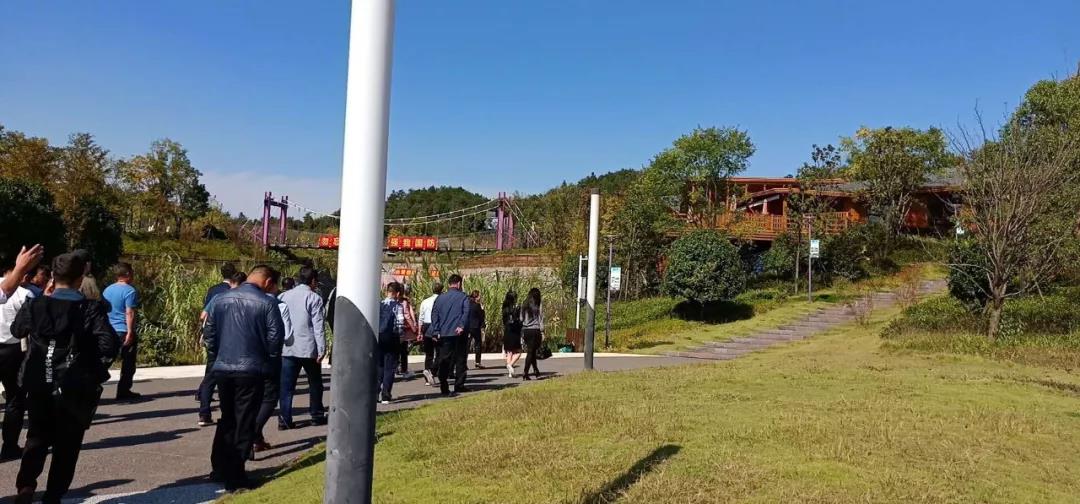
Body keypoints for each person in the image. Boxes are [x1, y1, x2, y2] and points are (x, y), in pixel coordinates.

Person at [12, 252, 119, 504]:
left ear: (52, 276)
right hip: (74, 384)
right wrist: (90, 365)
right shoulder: (89, 309)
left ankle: (26, 486)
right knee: (67, 445)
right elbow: (109, 344)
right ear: (80, 278)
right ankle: (53, 495)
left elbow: (17, 330)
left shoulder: (36, 304)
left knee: (36, 437)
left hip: (39, 379)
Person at [203, 265, 284, 492]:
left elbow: (209, 334)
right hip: (252, 368)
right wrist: (268, 363)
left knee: (227, 418)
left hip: (223, 366)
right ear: (268, 282)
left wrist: (217, 356)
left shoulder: (220, 299)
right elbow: (275, 339)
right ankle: (236, 476)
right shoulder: (267, 303)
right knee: (244, 420)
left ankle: (219, 467)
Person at [277, 266, 327, 429]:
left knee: (287, 386)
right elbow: (318, 326)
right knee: (315, 383)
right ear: (312, 281)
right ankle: (316, 414)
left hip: (288, 346)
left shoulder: (283, 296)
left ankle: (284, 418)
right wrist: (322, 348)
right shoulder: (314, 298)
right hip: (308, 347)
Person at [197, 264, 245, 427]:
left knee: (210, 378)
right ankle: (231, 414)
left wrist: (209, 340)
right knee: (233, 380)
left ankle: (204, 413)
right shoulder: (244, 300)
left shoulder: (217, 297)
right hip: (233, 344)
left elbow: (203, 315)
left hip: (216, 343)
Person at [252, 268, 291, 456]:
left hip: (237, 360)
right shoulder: (276, 305)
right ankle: (252, 434)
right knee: (268, 398)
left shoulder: (229, 299)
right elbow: (284, 335)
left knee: (249, 401)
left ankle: (256, 439)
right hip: (266, 359)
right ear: (270, 283)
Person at [0, 265, 37, 460]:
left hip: (11, 348)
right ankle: (9, 446)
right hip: (12, 349)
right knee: (15, 398)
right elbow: (29, 325)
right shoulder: (24, 294)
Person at [102, 262, 141, 401]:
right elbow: (129, 312)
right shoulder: (130, 291)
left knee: (106, 360)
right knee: (128, 363)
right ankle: (123, 390)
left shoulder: (107, 290)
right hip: (123, 329)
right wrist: (130, 331)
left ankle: (92, 385)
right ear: (128, 274)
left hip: (108, 329)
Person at [429, 274, 470, 396]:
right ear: (459, 284)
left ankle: (444, 385)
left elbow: (434, 314)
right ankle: (459, 384)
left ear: (449, 284)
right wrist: (461, 325)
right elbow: (466, 312)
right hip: (459, 333)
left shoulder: (440, 298)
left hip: (444, 333)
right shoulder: (463, 297)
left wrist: (436, 330)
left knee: (444, 359)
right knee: (460, 359)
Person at [377, 282, 405, 404]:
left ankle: (375, 393)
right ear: (397, 293)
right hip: (392, 338)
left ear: (387, 292)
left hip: (379, 337)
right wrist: (401, 336)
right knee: (390, 367)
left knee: (379, 366)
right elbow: (400, 323)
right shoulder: (398, 306)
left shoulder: (380, 304)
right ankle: (386, 395)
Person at [417, 282, 442, 386]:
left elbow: (421, 318)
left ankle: (427, 376)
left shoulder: (425, 301)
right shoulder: (441, 301)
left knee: (429, 354)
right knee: (439, 352)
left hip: (426, 326)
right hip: (437, 326)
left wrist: (419, 332)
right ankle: (433, 372)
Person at [521, 288, 544, 381]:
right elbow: (541, 318)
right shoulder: (538, 304)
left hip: (526, 330)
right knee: (531, 352)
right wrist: (542, 331)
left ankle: (536, 371)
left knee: (532, 351)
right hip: (535, 330)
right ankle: (525, 372)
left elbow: (521, 318)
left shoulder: (524, 304)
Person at [396, 285, 419, 377]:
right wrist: (414, 327)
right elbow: (407, 316)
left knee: (396, 350)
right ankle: (404, 370)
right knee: (403, 351)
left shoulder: (394, 301)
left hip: (394, 329)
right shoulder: (405, 302)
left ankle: (396, 368)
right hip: (403, 329)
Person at [501, 291, 523, 378]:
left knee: (509, 352)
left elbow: (504, 320)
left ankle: (510, 372)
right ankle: (510, 365)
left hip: (507, 330)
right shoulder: (516, 307)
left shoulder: (504, 308)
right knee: (518, 352)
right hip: (515, 331)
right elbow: (519, 319)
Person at [467, 290, 486, 369]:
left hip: (468, 326)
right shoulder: (477, 305)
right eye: (479, 296)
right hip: (475, 326)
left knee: (467, 345)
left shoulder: (467, 304)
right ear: (476, 297)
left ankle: (463, 362)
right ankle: (477, 362)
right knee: (478, 344)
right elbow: (481, 316)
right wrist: (482, 309)